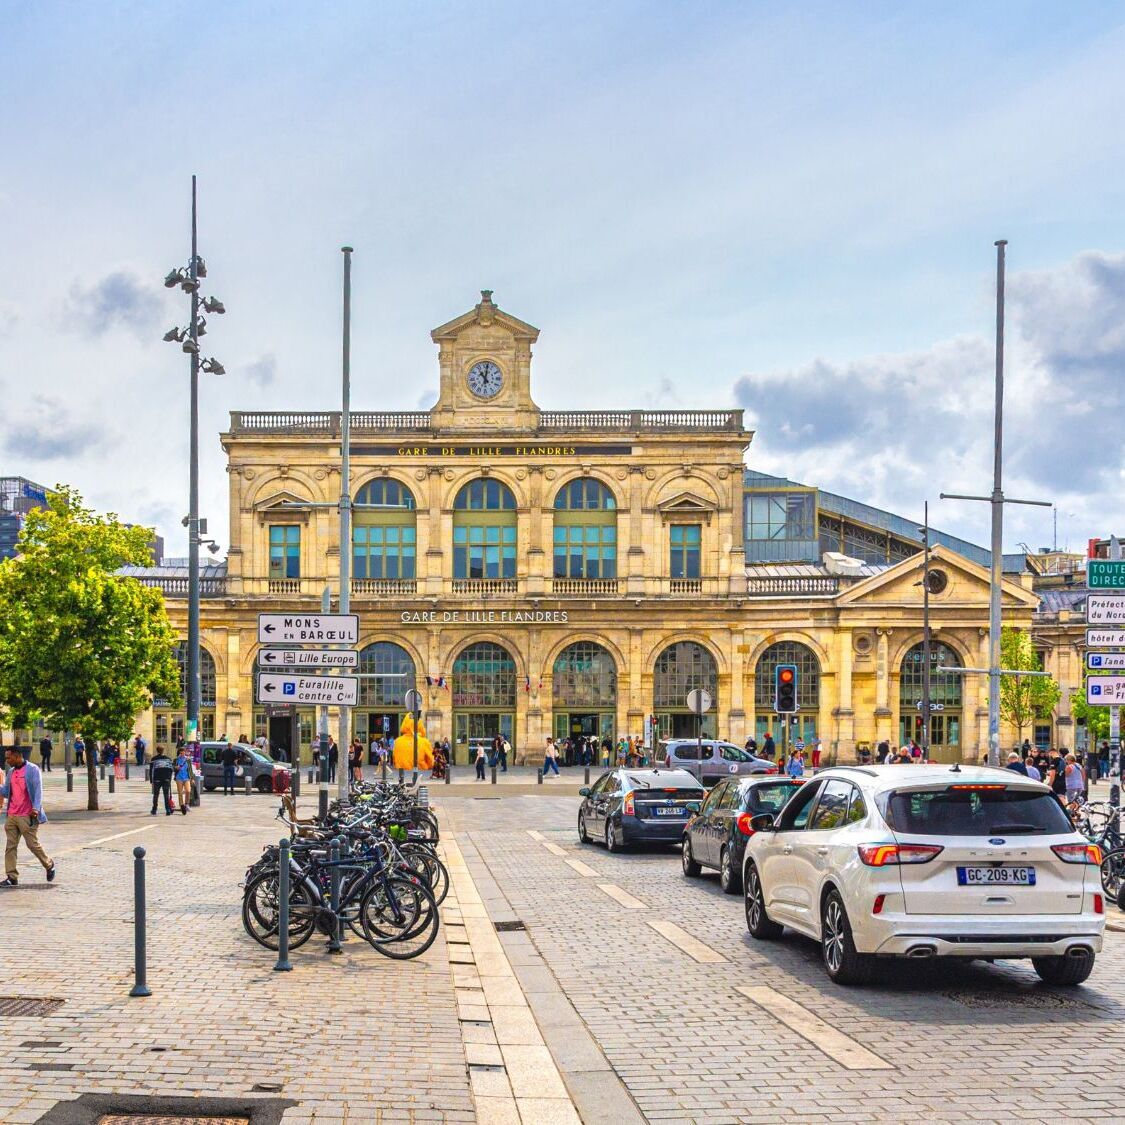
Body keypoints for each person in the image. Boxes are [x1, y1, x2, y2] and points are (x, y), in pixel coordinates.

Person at [1, 745, 56, 887]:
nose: (7, 760)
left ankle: (49, 864)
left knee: (32, 844)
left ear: (17, 755)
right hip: (12, 815)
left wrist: (36, 808)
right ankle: (12, 877)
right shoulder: (11, 772)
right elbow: (7, 792)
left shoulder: (32, 769)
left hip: (27, 815)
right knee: (10, 846)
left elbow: (38, 790)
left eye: (8, 757)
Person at [149, 746, 175, 815]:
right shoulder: (168, 759)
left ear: (157, 751)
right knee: (166, 795)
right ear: (163, 751)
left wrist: (151, 780)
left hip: (157, 779)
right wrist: (169, 779)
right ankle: (167, 810)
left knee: (156, 795)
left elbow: (151, 770)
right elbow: (171, 770)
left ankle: (154, 809)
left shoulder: (153, 759)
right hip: (166, 779)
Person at [173, 745, 192, 815]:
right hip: (179, 778)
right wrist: (175, 767)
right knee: (180, 793)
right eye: (181, 753)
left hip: (186, 778)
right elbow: (173, 767)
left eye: (183, 753)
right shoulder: (176, 760)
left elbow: (190, 769)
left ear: (185, 752)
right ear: (179, 753)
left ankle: (186, 804)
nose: (182, 754)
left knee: (188, 791)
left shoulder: (188, 760)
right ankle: (182, 805)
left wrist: (192, 778)